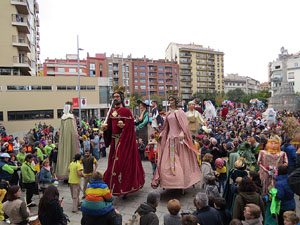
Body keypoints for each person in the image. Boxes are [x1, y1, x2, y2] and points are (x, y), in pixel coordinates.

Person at [101, 87, 145, 196]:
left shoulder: (126, 111)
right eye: (114, 97)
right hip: (114, 141)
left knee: (123, 164)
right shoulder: (112, 111)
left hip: (124, 142)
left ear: (121, 98)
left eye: (117, 97)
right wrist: (105, 129)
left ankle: (124, 187)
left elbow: (130, 128)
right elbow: (110, 127)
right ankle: (113, 185)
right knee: (113, 163)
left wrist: (124, 125)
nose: (115, 99)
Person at [152, 94, 201, 190]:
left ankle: (181, 182)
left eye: (171, 100)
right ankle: (169, 182)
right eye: (169, 100)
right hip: (169, 140)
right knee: (166, 163)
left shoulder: (180, 112)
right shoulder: (169, 113)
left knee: (180, 161)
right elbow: (166, 127)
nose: (170, 102)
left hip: (179, 140)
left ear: (175, 101)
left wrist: (182, 133)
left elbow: (185, 126)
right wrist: (161, 135)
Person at [56, 101, 80, 179]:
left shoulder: (63, 117)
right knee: (71, 153)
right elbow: (72, 131)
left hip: (65, 140)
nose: (73, 108)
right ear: (69, 107)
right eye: (72, 107)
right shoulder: (69, 117)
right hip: (70, 139)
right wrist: (77, 136)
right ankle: (69, 174)